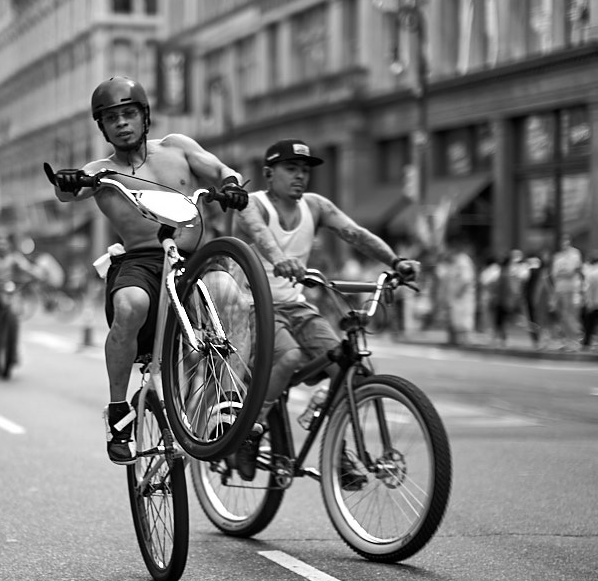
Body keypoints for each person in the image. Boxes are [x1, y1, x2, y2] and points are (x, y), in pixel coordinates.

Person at [49, 75, 249, 465]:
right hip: (142, 262)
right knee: (128, 307)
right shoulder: (100, 171)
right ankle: (119, 412)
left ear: (145, 117)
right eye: (111, 118)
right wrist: (67, 182)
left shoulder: (178, 148)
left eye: (129, 114)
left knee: (228, 294)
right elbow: (66, 193)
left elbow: (224, 171)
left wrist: (232, 186)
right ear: (103, 127)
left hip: (194, 259)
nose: (121, 123)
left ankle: (225, 397)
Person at [234, 138, 419, 485]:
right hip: (252, 305)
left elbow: (356, 234)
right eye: (292, 169)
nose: (300, 176)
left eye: (305, 171)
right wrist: (280, 260)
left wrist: (396, 262)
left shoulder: (315, 206)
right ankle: (251, 431)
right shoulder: (252, 205)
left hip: (296, 306)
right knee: (288, 359)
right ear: (269, 173)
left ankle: (338, 448)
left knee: (349, 368)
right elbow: (261, 236)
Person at [0, 235, 42, 339]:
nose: (2, 247)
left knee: (16, 305)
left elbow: (27, 267)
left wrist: (36, 274)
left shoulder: (14, 258)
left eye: (4, 244)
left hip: (10, 288)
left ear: (8, 246)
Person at [551, 234, 583, 350]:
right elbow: (554, 274)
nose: (564, 243)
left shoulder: (575, 254)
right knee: (562, 316)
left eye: (566, 241)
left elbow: (571, 272)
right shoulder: (558, 256)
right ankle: (567, 341)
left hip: (571, 289)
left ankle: (575, 340)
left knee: (570, 315)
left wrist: (562, 273)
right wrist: (562, 273)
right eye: (562, 241)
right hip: (559, 289)